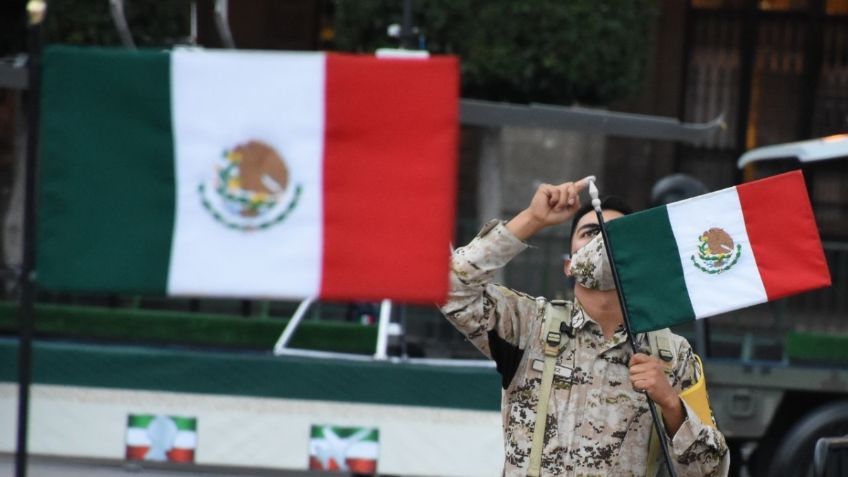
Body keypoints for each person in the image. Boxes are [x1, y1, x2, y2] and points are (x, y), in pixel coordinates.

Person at [440, 178, 729, 476]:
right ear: (570, 264)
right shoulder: (530, 325)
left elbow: (711, 471)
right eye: (590, 233)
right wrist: (532, 219)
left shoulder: (672, 355)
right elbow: (448, 287)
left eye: (618, 235)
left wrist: (672, 405)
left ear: (638, 260)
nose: (603, 241)